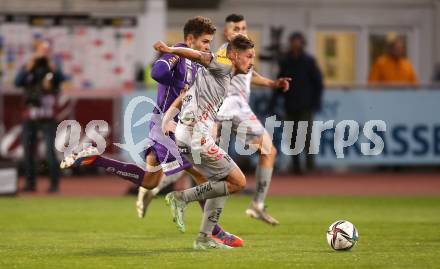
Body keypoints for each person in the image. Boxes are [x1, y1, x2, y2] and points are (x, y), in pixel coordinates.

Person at [60, 17, 242, 247]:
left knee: (149, 180)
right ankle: (214, 232)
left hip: (175, 127)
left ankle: (94, 158)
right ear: (189, 39)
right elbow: (157, 71)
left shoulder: (198, 64)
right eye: (204, 41)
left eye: (209, 42)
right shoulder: (179, 52)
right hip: (168, 128)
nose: (208, 46)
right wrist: (172, 75)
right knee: (203, 175)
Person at [138, 14, 290, 226]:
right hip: (224, 111)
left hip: (215, 115)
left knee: (205, 169)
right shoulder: (223, 57)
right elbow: (197, 60)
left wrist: (272, 83)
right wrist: (171, 50)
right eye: (236, 28)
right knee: (221, 174)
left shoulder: (242, 56)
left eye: (244, 27)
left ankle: (162, 192)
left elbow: (249, 74)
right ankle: (204, 223)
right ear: (227, 33)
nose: (241, 30)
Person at [154, 34, 264, 250]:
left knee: (221, 183)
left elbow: (186, 95)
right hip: (196, 137)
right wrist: (171, 49)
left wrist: (167, 118)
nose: (252, 62)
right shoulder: (222, 67)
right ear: (234, 55)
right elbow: (198, 55)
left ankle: (203, 238)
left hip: (188, 135)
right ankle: (181, 198)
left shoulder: (219, 77)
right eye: (248, 56)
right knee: (238, 182)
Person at [15, 40, 65, 192]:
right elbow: (18, 82)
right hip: (30, 117)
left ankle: (54, 185)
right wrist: (28, 67)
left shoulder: (53, 67)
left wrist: (52, 68)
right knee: (28, 151)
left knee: (50, 152)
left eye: (47, 49)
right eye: (42, 49)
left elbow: (61, 79)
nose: (44, 52)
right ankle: (31, 184)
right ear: (37, 49)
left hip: (48, 117)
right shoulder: (30, 65)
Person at [277, 32, 324, 175]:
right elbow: (280, 81)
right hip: (290, 105)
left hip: (305, 105)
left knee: (306, 136)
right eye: (293, 42)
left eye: (298, 42)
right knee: (291, 137)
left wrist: (315, 102)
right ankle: (296, 166)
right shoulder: (286, 61)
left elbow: (318, 83)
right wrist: (276, 100)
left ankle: (310, 166)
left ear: (303, 43)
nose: (296, 45)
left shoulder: (309, 61)